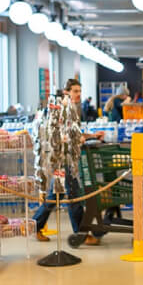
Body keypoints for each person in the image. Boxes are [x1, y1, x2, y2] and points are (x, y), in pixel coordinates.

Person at [34, 79, 104, 244]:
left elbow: (75, 133)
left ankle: (35, 226)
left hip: (68, 159)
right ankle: (81, 234)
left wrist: (92, 136)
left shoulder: (73, 109)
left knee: (55, 196)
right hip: (62, 159)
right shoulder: (61, 109)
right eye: (75, 91)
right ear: (67, 92)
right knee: (73, 196)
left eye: (80, 91)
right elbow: (55, 135)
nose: (79, 94)